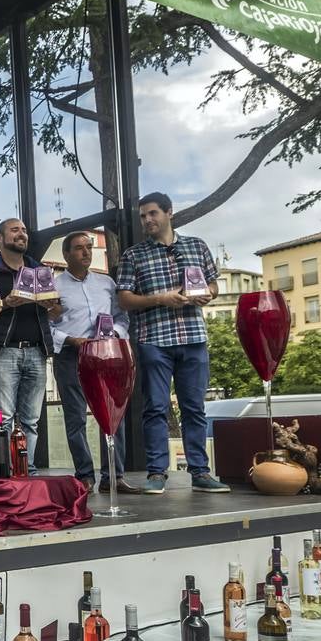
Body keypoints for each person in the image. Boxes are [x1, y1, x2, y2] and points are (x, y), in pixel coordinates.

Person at [116, 192, 229, 494]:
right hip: (154, 339)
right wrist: (160, 299)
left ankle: (201, 473)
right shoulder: (133, 255)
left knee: (195, 408)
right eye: (143, 216)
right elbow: (124, 299)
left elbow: (214, 282)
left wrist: (210, 293)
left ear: (169, 213)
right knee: (155, 408)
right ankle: (156, 473)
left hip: (193, 337)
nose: (147, 220)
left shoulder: (197, 246)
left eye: (152, 214)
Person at [50, 232, 138, 493]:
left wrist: (115, 335)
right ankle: (85, 475)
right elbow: (45, 326)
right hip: (70, 355)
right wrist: (70, 339)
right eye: (79, 248)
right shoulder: (53, 286)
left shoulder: (107, 283)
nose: (86, 253)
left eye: (89, 248)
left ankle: (114, 476)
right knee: (75, 417)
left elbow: (122, 317)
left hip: (106, 355)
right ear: (66, 255)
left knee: (113, 415)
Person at [0, 217, 62, 470]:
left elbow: (57, 312)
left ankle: (25, 469)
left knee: (31, 419)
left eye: (24, 231)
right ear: (0, 238)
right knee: (3, 417)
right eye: (14, 230)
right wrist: (6, 302)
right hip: (4, 351)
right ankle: (5, 470)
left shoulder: (40, 270)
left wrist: (50, 305)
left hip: (37, 351)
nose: (21, 234)